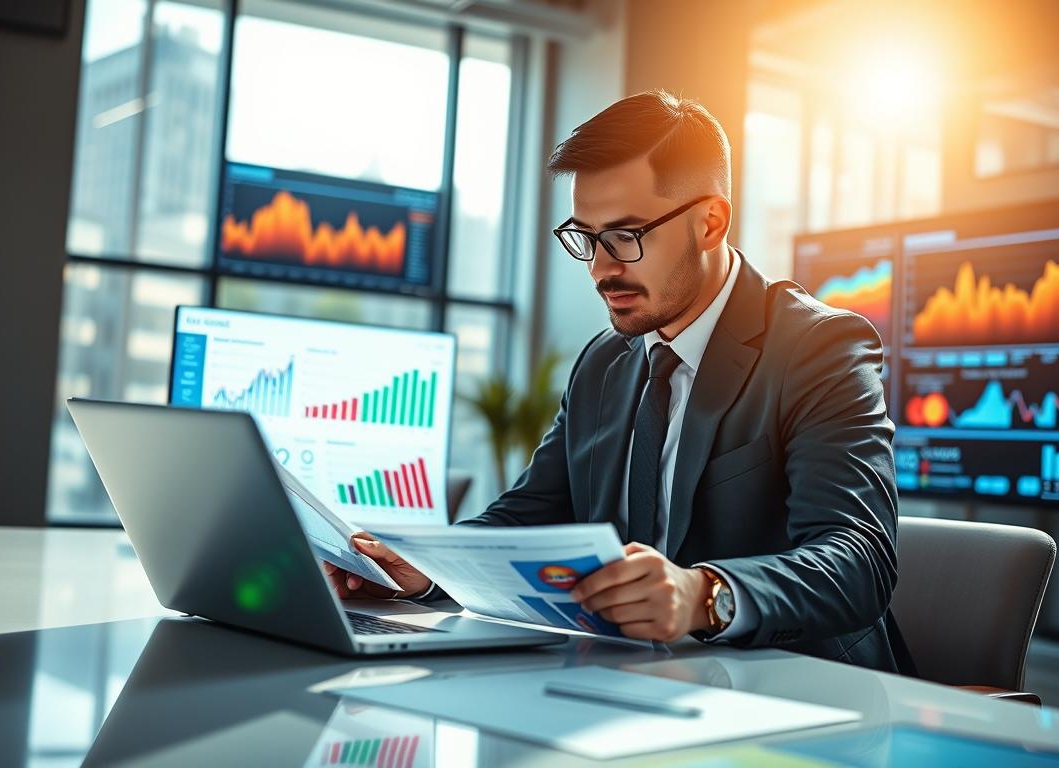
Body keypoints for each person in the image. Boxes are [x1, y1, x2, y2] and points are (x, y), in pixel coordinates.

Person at [323, 90, 907, 673]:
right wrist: (428, 565)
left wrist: (702, 595)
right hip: (637, 682)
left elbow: (857, 562)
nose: (602, 269)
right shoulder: (605, 362)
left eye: (625, 237)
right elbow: (532, 511)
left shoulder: (819, 347)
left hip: (802, 692)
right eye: (587, 237)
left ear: (710, 222)